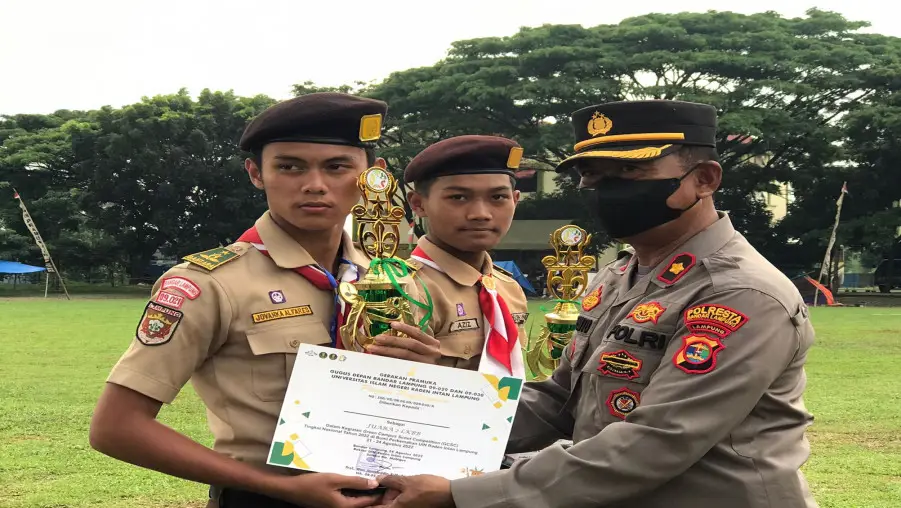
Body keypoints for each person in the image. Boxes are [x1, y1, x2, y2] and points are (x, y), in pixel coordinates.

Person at [372, 100, 819, 508]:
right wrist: (416, 417)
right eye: (594, 174)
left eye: (629, 173)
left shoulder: (736, 293)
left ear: (704, 179)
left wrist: (460, 494)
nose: (606, 190)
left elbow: (658, 441)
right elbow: (559, 401)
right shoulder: (620, 275)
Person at [88, 92, 440, 508]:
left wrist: (422, 377)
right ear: (256, 173)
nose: (315, 185)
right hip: (267, 498)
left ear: (372, 175)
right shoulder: (209, 283)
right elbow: (116, 427)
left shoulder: (392, 281)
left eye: (337, 167)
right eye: (289, 166)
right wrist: (282, 488)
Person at [398, 135, 530, 379]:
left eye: (498, 197)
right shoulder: (403, 290)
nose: (480, 214)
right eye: (458, 197)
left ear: (515, 200)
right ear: (418, 204)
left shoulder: (508, 287)